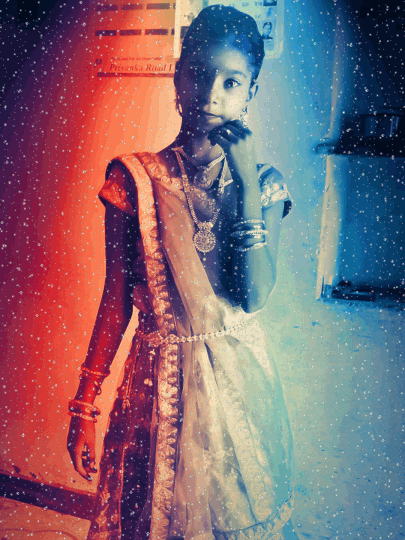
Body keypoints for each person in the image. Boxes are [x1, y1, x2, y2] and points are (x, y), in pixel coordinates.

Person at [67, 5, 297, 540]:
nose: (212, 94)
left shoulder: (264, 183)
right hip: (155, 386)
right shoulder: (135, 178)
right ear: (177, 77)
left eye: (231, 81)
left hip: (237, 393)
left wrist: (245, 185)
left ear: (251, 91)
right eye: (199, 74)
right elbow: (115, 299)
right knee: (148, 520)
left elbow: (253, 295)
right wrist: (84, 405)